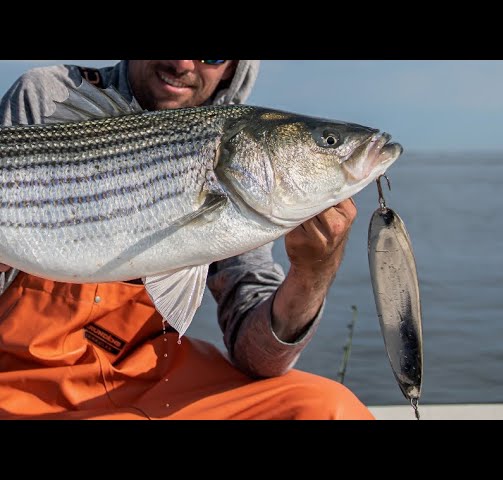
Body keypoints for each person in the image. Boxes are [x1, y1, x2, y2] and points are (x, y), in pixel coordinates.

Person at [0, 60, 375, 420]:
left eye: (211, 56)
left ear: (234, 68)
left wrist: (312, 274)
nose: (182, 64)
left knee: (326, 406)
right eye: (329, 142)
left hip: (152, 384)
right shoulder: (49, 93)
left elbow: (259, 358)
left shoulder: (248, 183)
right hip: (20, 384)